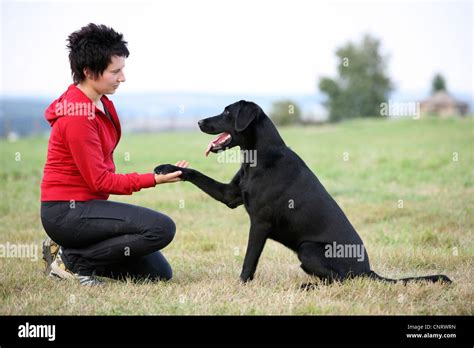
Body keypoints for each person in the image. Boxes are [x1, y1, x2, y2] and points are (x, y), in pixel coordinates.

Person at [40, 23, 187, 286]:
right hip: (66, 213)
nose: (122, 78)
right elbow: (101, 181)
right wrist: (154, 179)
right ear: (89, 72)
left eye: (122, 70)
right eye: (115, 71)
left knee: (158, 274)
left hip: (90, 209)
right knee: (161, 228)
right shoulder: (77, 116)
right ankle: (74, 263)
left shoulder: (103, 104)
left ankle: (66, 251)